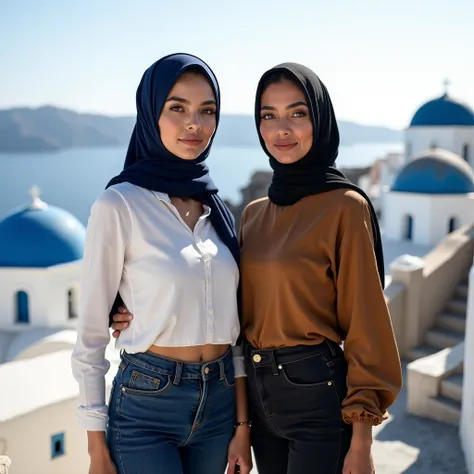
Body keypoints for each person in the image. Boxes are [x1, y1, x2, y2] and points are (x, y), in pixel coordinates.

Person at [111, 62, 403, 474]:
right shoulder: (252, 214)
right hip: (258, 401)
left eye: (298, 114)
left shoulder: (345, 206)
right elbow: (226, 306)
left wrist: (361, 440)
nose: (281, 129)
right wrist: (122, 301)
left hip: (317, 395)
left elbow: (367, 324)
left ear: (319, 120)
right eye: (269, 116)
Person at [71, 53, 252, 474]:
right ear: (151, 114)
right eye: (177, 108)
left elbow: (238, 329)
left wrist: (243, 425)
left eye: (208, 111)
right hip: (147, 403)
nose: (195, 123)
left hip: (220, 403)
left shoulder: (217, 208)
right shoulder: (119, 204)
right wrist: (96, 449)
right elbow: (92, 336)